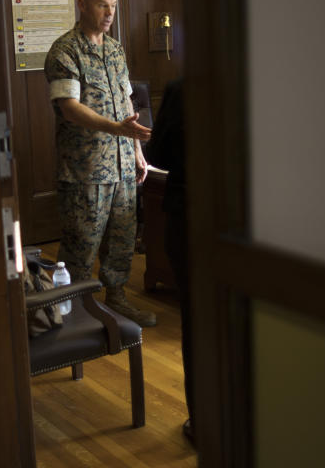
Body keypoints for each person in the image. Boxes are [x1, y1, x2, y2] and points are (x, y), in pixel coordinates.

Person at [44, 0, 156, 327]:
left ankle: (117, 298)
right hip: (86, 169)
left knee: (122, 240)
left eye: (114, 6)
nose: (109, 13)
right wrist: (117, 130)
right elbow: (69, 108)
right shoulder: (65, 51)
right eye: (101, 5)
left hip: (122, 165)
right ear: (82, 5)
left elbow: (126, 104)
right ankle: (72, 311)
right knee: (81, 245)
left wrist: (136, 151)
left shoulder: (115, 49)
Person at [144, 77, 193, 441]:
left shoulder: (183, 88)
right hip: (248, 223)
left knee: (197, 325)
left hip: (190, 214)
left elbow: (157, 155)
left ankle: (203, 422)